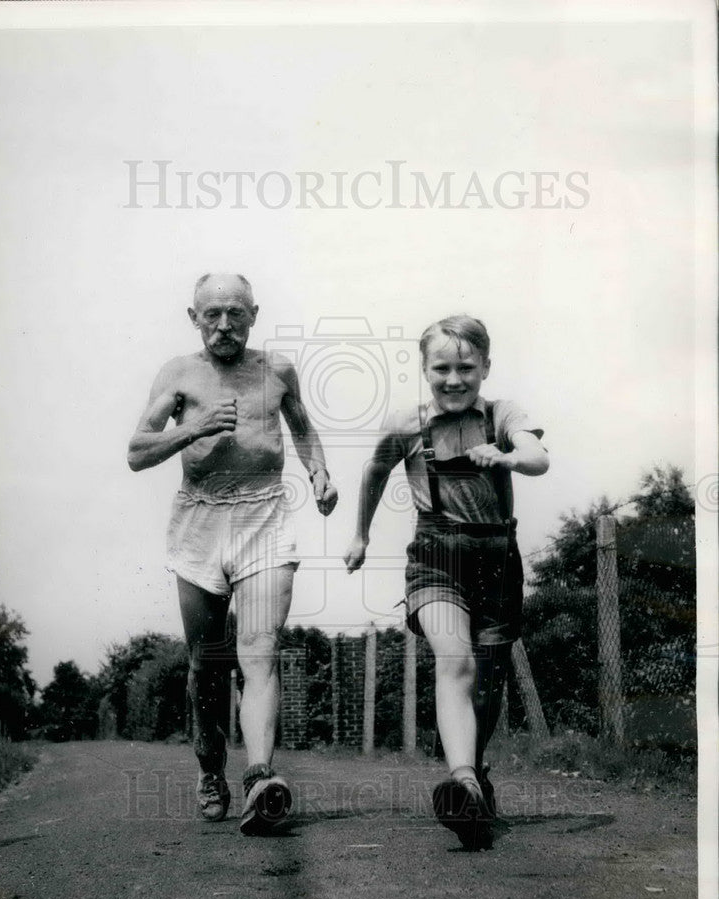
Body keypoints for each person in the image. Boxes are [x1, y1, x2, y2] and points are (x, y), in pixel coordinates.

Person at [128, 273, 337, 835]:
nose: (225, 325)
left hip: (264, 516)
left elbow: (304, 431)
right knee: (207, 667)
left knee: (259, 650)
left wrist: (317, 471)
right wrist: (191, 427)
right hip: (199, 519)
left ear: (254, 314)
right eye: (213, 313)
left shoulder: (277, 371)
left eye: (236, 314)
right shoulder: (177, 374)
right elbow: (136, 451)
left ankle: (262, 777)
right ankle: (210, 767)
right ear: (193, 316)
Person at [343, 314, 548, 849]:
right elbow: (373, 471)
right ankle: (460, 782)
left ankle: (475, 777)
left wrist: (505, 456)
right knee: (454, 660)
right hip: (435, 557)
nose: (453, 379)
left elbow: (537, 456)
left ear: (485, 367)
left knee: (487, 683)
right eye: (442, 368)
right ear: (425, 368)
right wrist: (359, 535)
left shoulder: (503, 414)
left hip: (498, 558)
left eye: (466, 368)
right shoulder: (406, 424)